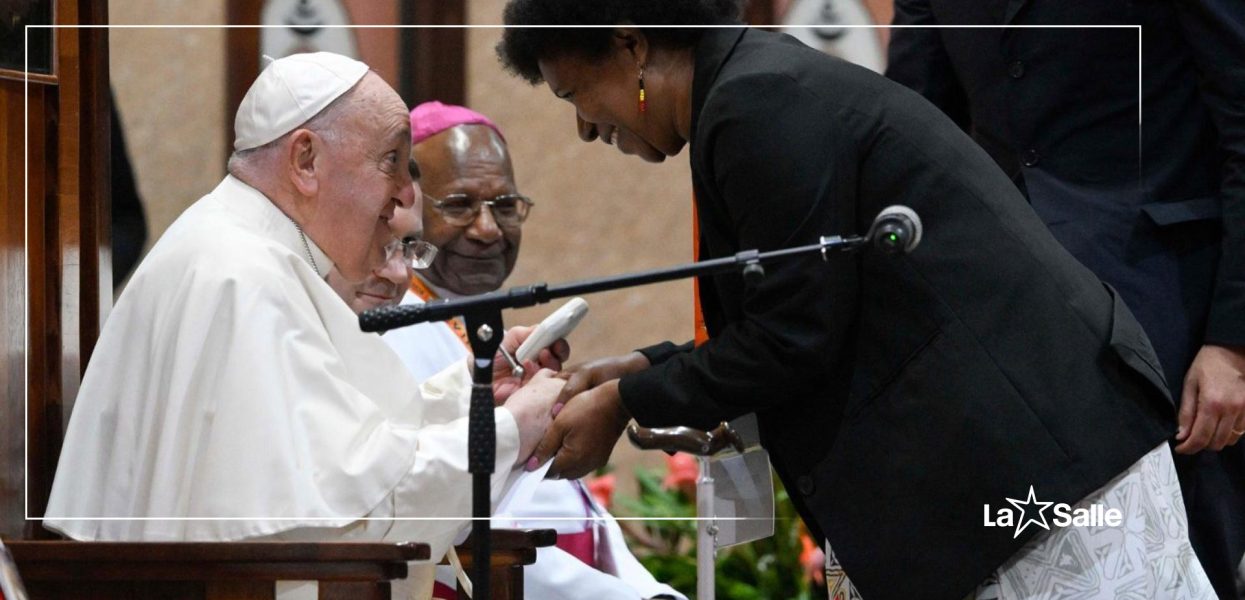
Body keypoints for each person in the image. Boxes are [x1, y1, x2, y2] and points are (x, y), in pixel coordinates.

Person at [496, 2, 1213, 599]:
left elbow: (793, 338)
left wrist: (630, 401)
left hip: (1035, 470)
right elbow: (805, 312)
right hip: (1027, 463)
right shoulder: (753, 87)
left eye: (574, 96)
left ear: (630, 46)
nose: (586, 127)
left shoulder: (756, 103)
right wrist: (640, 371)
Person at [42, 51, 566, 597]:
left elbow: (347, 453)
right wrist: (506, 432)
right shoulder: (242, 276)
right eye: (391, 161)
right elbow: (343, 518)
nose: (406, 196)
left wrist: (476, 390)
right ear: (306, 160)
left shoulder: (247, 249)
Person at [883, 4, 1245, 596]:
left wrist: (1234, 343)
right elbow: (914, 131)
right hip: (1002, 338)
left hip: (1171, 321)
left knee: (1188, 567)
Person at [375, 100, 684, 600]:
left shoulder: (475, 317)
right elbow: (458, 516)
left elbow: (561, 492)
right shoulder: (395, 326)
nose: (488, 229)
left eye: (504, 205)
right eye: (459, 205)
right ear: (407, 204)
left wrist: (643, 586)